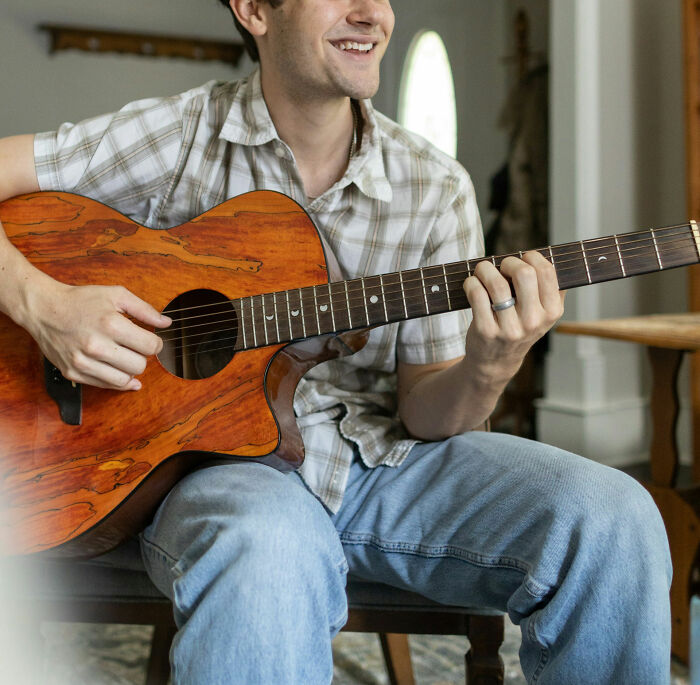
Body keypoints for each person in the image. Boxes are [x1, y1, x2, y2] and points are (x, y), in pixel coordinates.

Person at [0, 1, 671, 683]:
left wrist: (488, 366)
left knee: (614, 517)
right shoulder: (180, 133)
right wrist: (44, 304)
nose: (371, 13)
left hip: (384, 464)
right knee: (266, 545)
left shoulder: (436, 187)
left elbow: (426, 414)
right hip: (221, 472)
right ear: (255, 10)